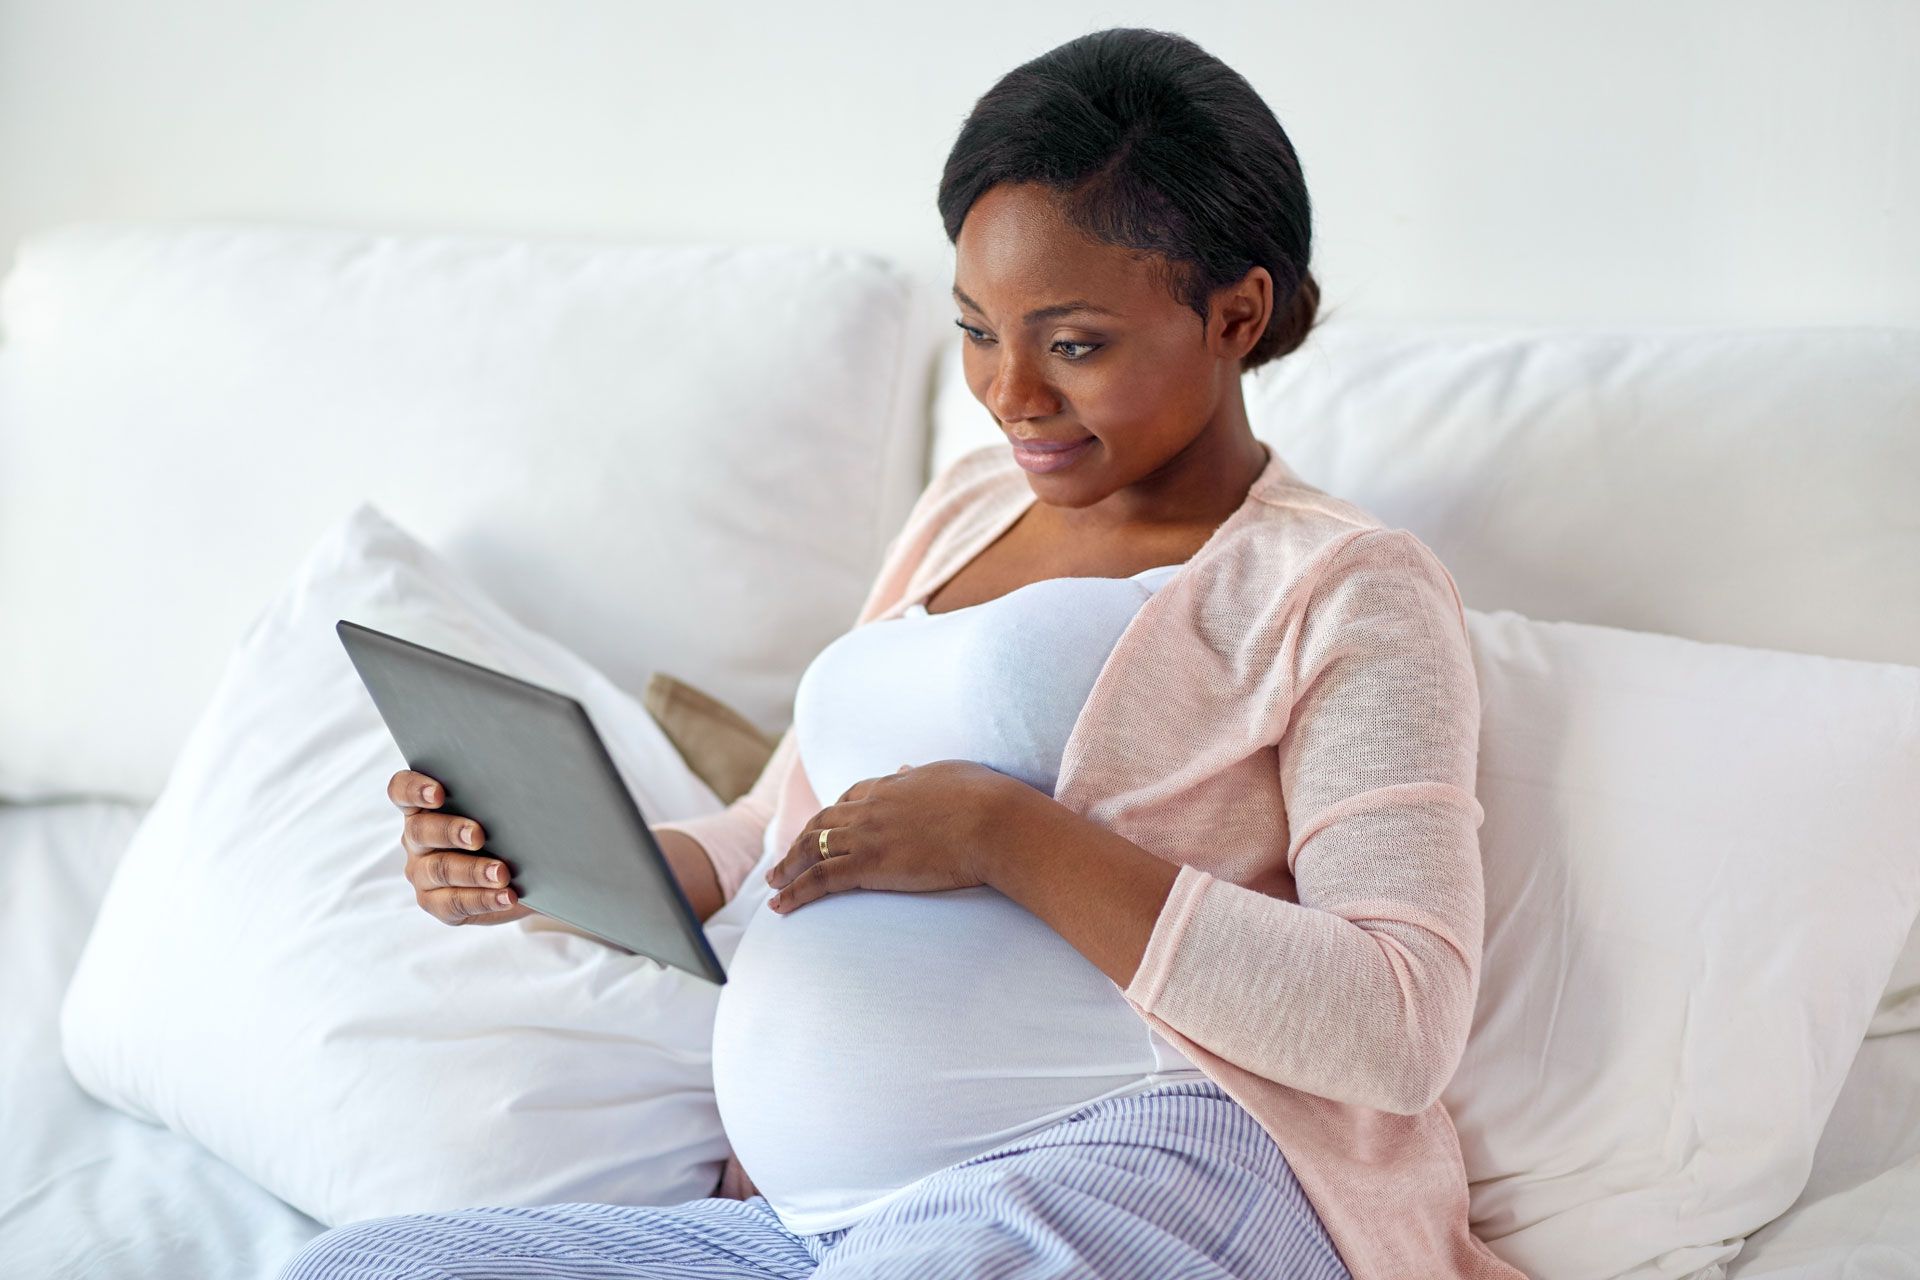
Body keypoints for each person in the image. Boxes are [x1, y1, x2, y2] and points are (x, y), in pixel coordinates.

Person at [280, 25, 1524, 1280]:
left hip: (1156, 1161)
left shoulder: (1344, 584)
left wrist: (1005, 831)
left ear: (1235, 313)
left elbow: (1398, 1020)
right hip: (827, 1223)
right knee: (352, 1268)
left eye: (1073, 343)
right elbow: (785, 825)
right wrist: (564, 862)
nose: (1010, 392)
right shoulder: (966, 508)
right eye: (979, 330)